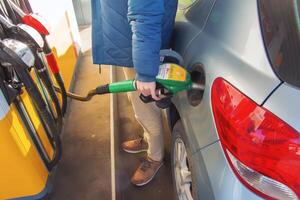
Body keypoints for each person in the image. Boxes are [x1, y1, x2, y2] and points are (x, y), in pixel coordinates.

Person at [91, 0, 178, 186]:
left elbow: (145, 14)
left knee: (145, 110)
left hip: (138, 50)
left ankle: (155, 157)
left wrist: (146, 73)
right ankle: (148, 139)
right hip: (129, 45)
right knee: (137, 103)